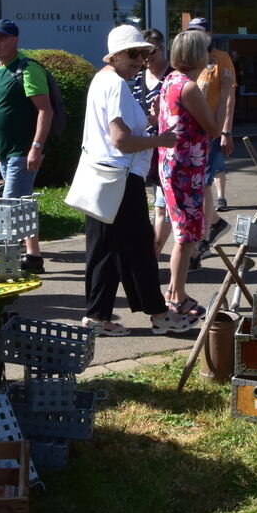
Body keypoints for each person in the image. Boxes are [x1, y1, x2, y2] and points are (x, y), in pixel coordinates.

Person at [80, 25, 194, 337]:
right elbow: (120, 140)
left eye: (144, 54)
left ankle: (97, 316)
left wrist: (149, 121)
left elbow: (117, 132)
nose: (140, 61)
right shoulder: (115, 84)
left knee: (106, 250)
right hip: (118, 177)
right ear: (115, 55)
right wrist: (162, 139)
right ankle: (159, 314)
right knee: (138, 248)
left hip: (103, 176)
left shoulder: (103, 80)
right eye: (134, 54)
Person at [0, 19, 53, 274]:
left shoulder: (27, 69)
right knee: (23, 205)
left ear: (15, 40)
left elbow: (45, 110)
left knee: (10, 208)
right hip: (5, 152)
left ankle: (2, 263)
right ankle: (34, 257)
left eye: (3, 37)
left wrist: (36, 147)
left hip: (23, 152)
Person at [158, 30, 221, 319]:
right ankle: (177, 296)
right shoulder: (188, 87)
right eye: (206, 50)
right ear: (199, 54)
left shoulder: (170, 80)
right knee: (186, 236)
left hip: (174, 165)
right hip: (187, 169)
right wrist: (228, 94)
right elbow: (213, 128)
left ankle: (174, 291)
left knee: (185, 232)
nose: (210, 55)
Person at [185, 17, 234, 268]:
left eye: (200, 31)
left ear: (209, 34)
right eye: (192, 31)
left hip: (211, 132)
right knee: (200, 187)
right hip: (190, 134)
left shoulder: (221, 58)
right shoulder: (187, 58)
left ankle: (202, 239)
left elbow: (229, 96)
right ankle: (213, 224)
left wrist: (226, 130)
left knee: (203, 185)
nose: (197, 35)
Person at [128, 28, 173, 256]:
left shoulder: (172, 77)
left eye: (151, 53)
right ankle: (193, 253)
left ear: (163, 49)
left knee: (162, 203)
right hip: (146, 148)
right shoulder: (138, 78)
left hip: (167, 148)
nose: (146, 59)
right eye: (142, 54)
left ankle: (153, 255)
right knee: (157, 204)